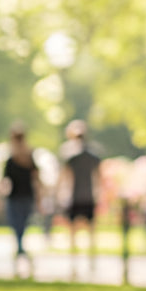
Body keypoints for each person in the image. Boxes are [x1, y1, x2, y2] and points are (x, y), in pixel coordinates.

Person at [60, 119, 101, 279]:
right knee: (90, 232)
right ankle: (89, 262)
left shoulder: (71, 156)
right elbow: (98, 177)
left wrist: (61, 194)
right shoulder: (91, 156)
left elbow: (65, 177)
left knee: (74, 233)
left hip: (76, 198)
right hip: (87, 197)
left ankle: (77, 263)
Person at [1, 123, 41, 278]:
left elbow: (36, 179)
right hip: (22, 197)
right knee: (20, 228)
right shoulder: (17, 158)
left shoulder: (19, 158)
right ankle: (21, 252)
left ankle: (20, 252)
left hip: (19, 197)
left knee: (18, 228)